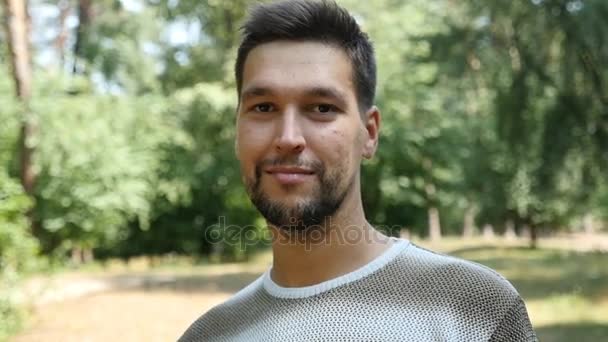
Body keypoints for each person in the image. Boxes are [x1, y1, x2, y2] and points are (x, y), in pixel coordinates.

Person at [179, 0, 537, 341]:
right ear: (237, 129)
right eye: (264, 107)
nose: (288, 138)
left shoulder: (474, 310)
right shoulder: (210, 335)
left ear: (369, 133)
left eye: (321, 108)